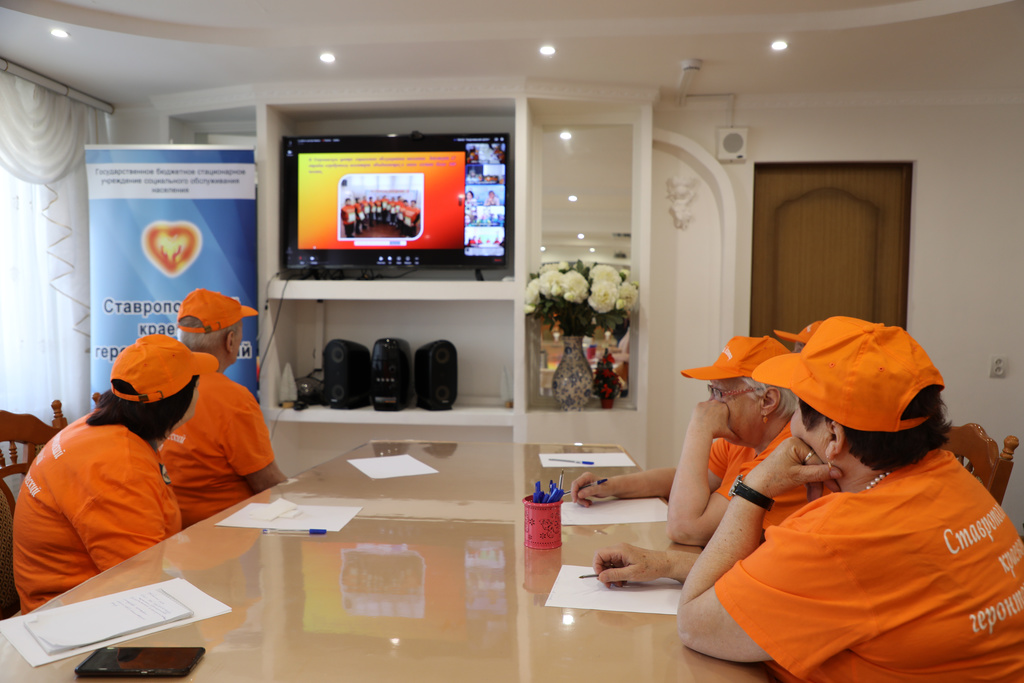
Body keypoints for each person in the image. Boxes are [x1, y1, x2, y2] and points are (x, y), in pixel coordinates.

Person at [592, 317, 1024, 682]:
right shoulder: (949, 475)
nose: (792, 426)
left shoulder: (839, 535)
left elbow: (695, 623)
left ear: (833, 436)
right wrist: (667, 563)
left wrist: (755, 488)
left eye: (799, 409)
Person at [12, 334, 218, 612]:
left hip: (81, 598)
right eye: (196, 385)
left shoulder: (97, 428)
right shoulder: (121, 468)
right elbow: (139, 583)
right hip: (78, 615)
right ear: (176, 404)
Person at [572, 336, 806, 547]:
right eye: (710, 390)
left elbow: (685, 529)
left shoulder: (786, 456)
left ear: (767, 401)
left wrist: (699, 428)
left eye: (719, 393)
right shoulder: (745, 439)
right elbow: (686, 480)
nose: (708, 403)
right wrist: (609, 486)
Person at [162, 288, 286, 528]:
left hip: (168, 532)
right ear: (229, 341)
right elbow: (267, 482)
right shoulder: (234, 399)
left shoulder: (157, 384)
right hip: (228, 534)